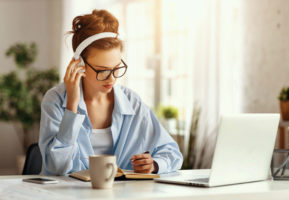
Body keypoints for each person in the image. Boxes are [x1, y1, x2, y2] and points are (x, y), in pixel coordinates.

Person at [38, 9, 183, 176]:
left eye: (116, 68)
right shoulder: (55, 100)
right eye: (102, 70)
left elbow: (172, 152)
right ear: (79, 65)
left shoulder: (131, 101)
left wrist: (154, 165)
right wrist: (72, 105)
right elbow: (56, 167)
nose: (111, 79)